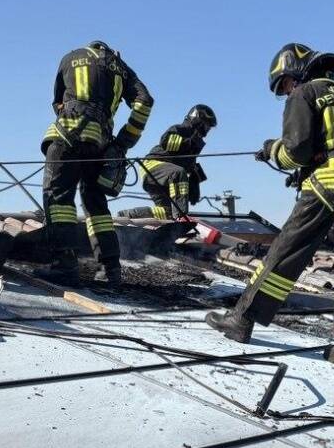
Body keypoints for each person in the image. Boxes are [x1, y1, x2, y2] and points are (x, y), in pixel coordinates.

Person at [205, 44, 334, 371]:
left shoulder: (305, 93)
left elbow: (296, 151)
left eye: (286, 84)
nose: (287, 91)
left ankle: (241, 320)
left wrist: (271, 150)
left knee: (287, 250)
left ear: (298, 71)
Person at [37, 41, 153, 286]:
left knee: (58, 199)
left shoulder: (70, 57)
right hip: (101, 142)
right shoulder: (121, 67)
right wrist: (122, 143)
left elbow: (58, 103)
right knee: (96, 205)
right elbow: (145, 102)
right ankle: (110, 269)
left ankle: (64, 265)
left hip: (66, 134)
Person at [118, 105, 216, 220]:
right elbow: (166, 142)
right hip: (153, 166)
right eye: (206, 125)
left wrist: (196, 178)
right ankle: (181, 216)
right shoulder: (181, 129)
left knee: (167, 212)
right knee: (178, 173)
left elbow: (188, 163)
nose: (207, 129)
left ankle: (129, 215)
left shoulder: (195, 143)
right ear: (197, 119)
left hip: (164, 179)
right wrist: (191, 141)